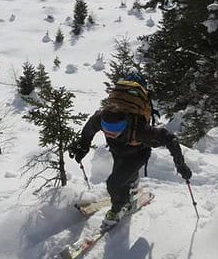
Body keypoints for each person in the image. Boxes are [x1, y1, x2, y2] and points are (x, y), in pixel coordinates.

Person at [69, 70, 192, 227]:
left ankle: (120, 207)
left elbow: (170, 139)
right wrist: (82, 148)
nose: (111, 134)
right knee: (120, 175)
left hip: (137, 154)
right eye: (107, 131)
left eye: (115, 131)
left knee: (114, 183)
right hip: (118, 151)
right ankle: (131, 187)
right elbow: (88, 131)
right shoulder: (100, 118)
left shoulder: (140, 130)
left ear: (125, 123)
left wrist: (180, 164)